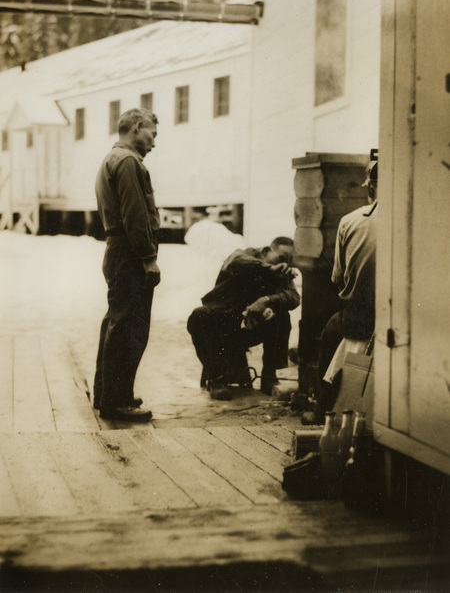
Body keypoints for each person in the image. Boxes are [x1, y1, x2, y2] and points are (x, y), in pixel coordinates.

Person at [93, 108, 160, 422]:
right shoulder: (129, 162)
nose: (154, 143)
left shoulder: (111, 159)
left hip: (118, 250)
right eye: (152, 134)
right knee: (129, 327)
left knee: (116, 322)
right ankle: (117, 402)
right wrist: (148, 259)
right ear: (137, 127)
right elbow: (136, 217)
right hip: (130, 254)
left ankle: (108, 393)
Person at [187, 237, 300, 400]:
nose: (285, 264)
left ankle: (269, 375)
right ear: (266, 251)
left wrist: (265, 300)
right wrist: (268, 269)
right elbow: (235, 261)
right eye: (282, 258)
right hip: (224, 327)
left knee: (282, 315)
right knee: (200, 315)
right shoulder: (244, 256)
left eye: (289, 261)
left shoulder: (282, 271)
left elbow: (294, 297)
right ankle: (216, 378)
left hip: (251, 327)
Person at [316, 159, 378, 418]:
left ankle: (322, 411)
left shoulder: (350, 221)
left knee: (330, 331)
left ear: (370, 188)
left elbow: (338, 279)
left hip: (361, 318)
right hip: (403, 318)